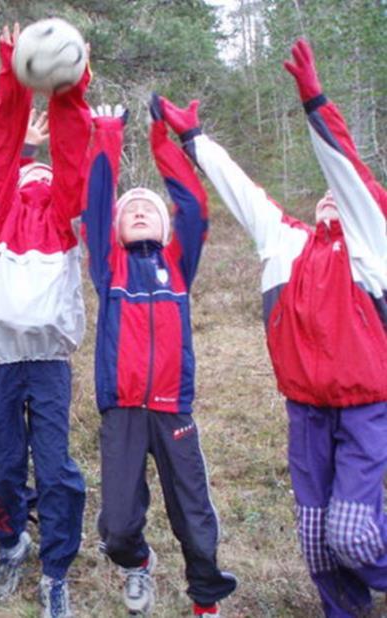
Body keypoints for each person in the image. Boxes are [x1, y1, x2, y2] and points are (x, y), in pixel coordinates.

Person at [158, 38, 387, 618]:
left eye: (345, 198)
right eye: (324, 198)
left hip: (366, 409)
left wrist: (315, 100)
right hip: (304, 410)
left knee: (353, 535)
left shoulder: (372, 246)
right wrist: (193, 140)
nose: (333, 199)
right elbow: (240, 190)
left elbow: (349, 172)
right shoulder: (284, 243)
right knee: (317, 543)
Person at [82, 100, 237, 617]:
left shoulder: (178, 263)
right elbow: (98, 199)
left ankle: (205, 600)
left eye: (148, 207)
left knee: (194, 515)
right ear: (117, 229)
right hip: (123, 410)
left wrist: (159, 139)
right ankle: (138, 563)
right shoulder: (110, 269)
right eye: (131, 210)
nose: (140, 210)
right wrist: (108, 133)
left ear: (166, 230)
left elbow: (192, 203)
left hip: (173, 410)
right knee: (118, 525)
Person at [0, 23, 89, 617]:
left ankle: (56, 570)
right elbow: (0, 142)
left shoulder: (67, 217)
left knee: (56, 466)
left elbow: (73, 153)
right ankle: (10, 538)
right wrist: (11, 72)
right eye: (30, 180)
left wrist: (70, 88)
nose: (39, 187)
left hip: (47, 363)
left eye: (45, 182)